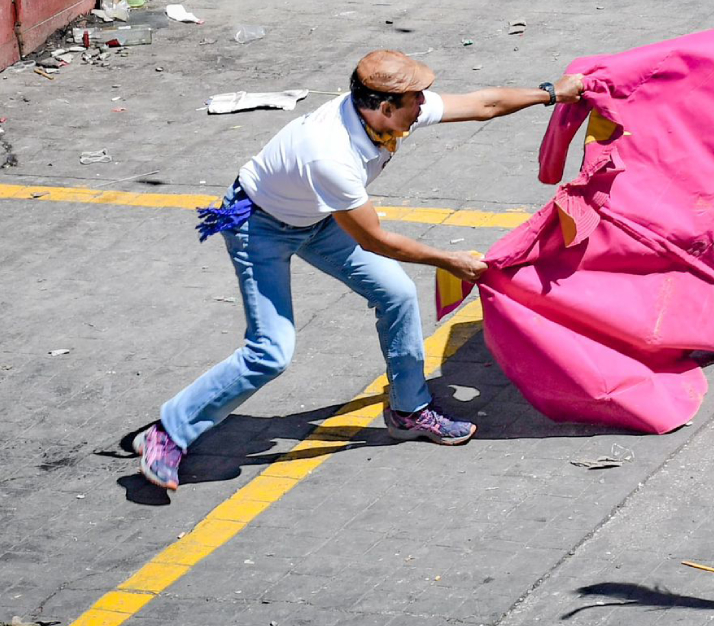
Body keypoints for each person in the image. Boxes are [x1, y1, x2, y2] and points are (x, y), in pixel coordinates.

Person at [133, 49, 585, 490]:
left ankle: (409, 411)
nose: (424, 106)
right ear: (386, 108)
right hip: (260, 228)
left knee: (398, 295)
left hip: (316, 218)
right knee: (270, 352)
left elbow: (482, 105)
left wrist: (551, 93)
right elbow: (375, 240)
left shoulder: (381, 112)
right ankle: (169, 432)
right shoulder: (330, 155)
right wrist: (449, 260)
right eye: (416, 101)